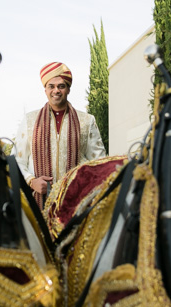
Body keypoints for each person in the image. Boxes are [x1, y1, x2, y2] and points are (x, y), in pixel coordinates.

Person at [14, 61, 106, 208]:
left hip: (76, 203)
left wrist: (83, 185)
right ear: (45, 90)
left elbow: (100, 163)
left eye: (61, 86)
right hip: (37, 203)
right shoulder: (30, 120)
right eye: (51, 86)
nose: (56, 90)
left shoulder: (86, 121)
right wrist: (32, 181)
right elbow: (17, 160)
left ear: (68, 90)